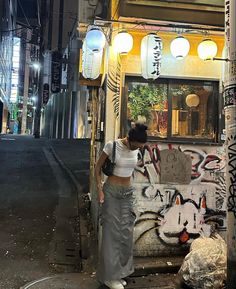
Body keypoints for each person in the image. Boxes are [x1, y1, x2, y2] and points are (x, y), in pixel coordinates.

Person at [95, 123, 148, 289]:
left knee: (126, 233)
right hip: (111, 192)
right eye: (136, 146)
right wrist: (100, 190)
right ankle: (109, 277)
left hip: (127, 193)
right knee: (111, 234)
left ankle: (121, 273)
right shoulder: (112, 146)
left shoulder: (137, 148)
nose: (136, 150)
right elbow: (97, 168)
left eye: (140, 148)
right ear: (129, 139)